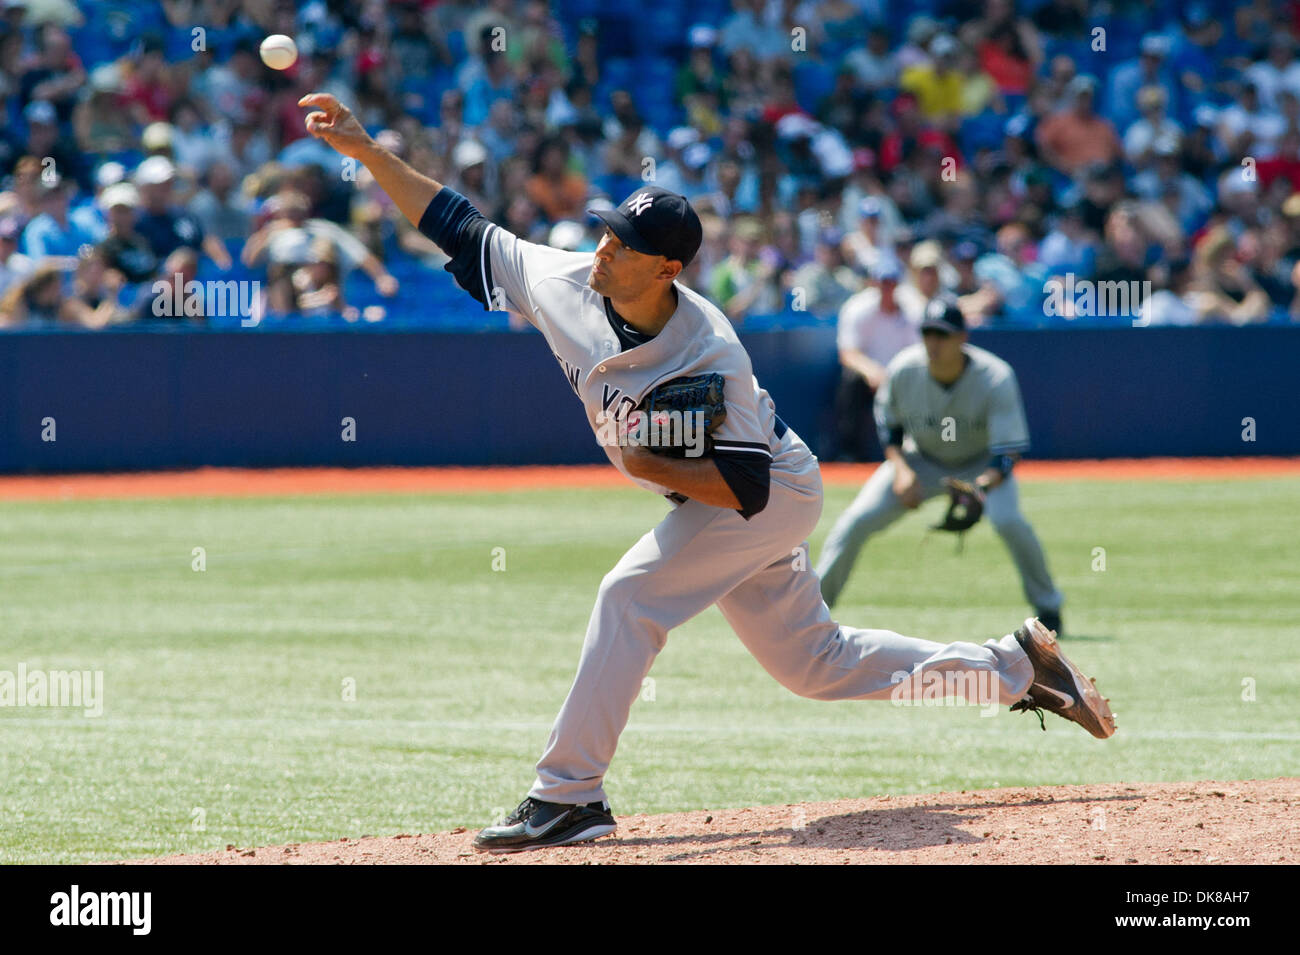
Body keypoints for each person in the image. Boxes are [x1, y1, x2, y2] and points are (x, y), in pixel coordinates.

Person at [297, 92, 1114, 854]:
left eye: (626, 244)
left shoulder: (710, 352)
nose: (604, 247)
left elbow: (748, 491)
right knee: (814, 665)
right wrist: (367, 150)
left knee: (629, 595)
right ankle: (1015, 666)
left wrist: (644, 457)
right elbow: (457, 225)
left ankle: (569, 794)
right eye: (608, 231)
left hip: (769, 489)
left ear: (669, 270)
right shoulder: (564, 279)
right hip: (727, 493)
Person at [816, 301, 1066, 634]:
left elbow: (1008, 452)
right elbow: (889, 428)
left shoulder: (994, 376)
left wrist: (980, 486)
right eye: (927, 333)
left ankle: (1049, 608)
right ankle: (813, 609)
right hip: (920, 460)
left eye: (942, 335)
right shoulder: (904, 369)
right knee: (856, 520)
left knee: (1010, 521)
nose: (933, 342)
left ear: (962, 337)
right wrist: (902, 471)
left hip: (980, 464)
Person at [833, 257, 922, 460]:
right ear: (874, 283)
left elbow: (918, 353)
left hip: (902, 377)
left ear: (897, 284)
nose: (887, 288)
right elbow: (848, 354)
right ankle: (850, 455)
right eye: (883, 283)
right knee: (851, 381)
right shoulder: (857, 308)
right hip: (868, 379)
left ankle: (917, 450)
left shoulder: (912, 308)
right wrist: (872, 372)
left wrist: (894, 376)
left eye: (891, 283)